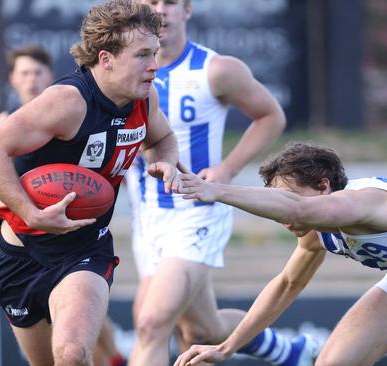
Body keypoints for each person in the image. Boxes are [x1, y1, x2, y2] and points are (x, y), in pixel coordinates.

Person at [173, 142, 387, 366]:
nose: (282, 216)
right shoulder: (316, 233)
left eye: (287, 199)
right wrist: (227, 348)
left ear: (324, 186)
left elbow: (298, 211)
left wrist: (215, 190)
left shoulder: (365, 202)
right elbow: (286, 285)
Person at [0, 1, 180, 365]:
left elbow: (162, 138)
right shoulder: (68, 103)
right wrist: (31, 213)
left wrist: (164, 162)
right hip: (21, 253)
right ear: (106, 58)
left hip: (85, 249)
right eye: (143, 55)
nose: (155, 66)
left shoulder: (145, 98)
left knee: (71, 353)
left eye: (155, 53)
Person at [126, 1, 319, 365]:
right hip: (148, 216)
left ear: (187, 10)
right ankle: (285, 351)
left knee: (151, 323)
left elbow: (270, 116)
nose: (160, 10)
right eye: (151, 2)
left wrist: (227, 169)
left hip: (197, 212)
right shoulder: (122, 72)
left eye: (170, 2)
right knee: (201, 329)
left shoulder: (215, 70)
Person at [0, 44, 126, 366]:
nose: (31, 80)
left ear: (49, 76)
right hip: (24, 243)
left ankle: (115, 359)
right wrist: (25, 213)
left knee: (78, 339)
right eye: (24, 73)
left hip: (77, 245)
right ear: (13, 79)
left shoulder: (69, 106)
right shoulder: (6, 123)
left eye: (37, 72)